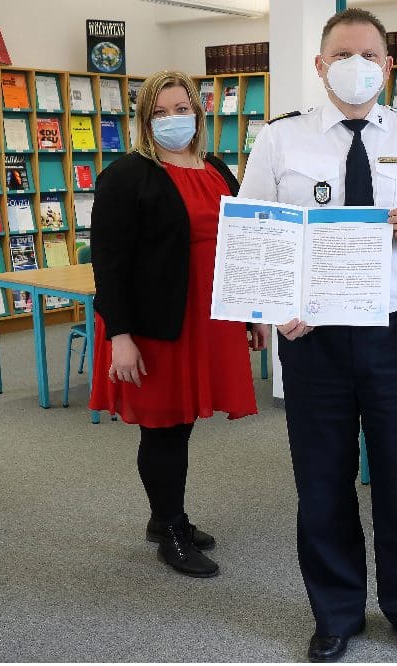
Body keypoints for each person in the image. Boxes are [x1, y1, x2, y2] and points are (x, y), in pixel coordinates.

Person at [237, 8, 397, 663]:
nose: (356, 64)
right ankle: (336, 613)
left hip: (395, 334)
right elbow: (257, 239)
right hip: (311, 341)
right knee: (321, 485)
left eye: (369, 54)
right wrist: (270, 304)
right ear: (319, 65)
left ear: (388, 65)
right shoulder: (280, 141)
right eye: (342, 54)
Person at [89, 71, 268, 579]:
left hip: (211, 317)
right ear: (145, 120)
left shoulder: (216, 168)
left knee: (183, 424)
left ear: (198, 112)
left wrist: (251, 314)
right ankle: (170, 527)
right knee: (164, 426)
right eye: (160, 112)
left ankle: (164, 516)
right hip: (156, 324)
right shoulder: (127, 175)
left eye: (181, 109)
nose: (173, 120)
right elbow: (110, 261)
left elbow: (240, 243)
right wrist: (120, 337)